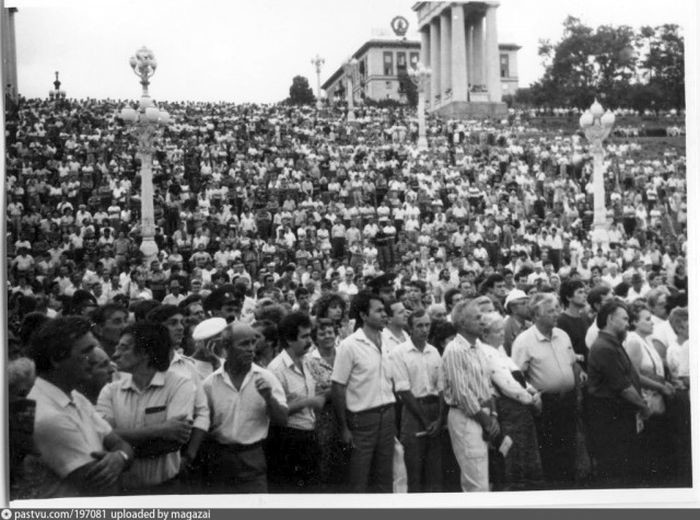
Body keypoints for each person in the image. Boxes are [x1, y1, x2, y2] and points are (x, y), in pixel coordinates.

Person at [27, 316, 133, 497]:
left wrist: (119, 458)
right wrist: (121, 458)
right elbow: (101, 487)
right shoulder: (48, 416)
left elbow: (119, 443)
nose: (94, 358)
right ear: (56, 359)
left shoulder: (75, 397)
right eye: (87, 351)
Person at [96, 321, 196, 494]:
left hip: (165, 490)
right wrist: (160, 429)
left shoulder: (180, 385)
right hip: (121, 492)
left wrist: (120, 451)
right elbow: (102, 437)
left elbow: (171, 443)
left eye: (124, 348)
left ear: (144, 353)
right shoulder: (110, 390)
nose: (115, 354)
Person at [201, 322, 288, 493]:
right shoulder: (210, 384)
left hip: (253, 458)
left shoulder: (266, 378)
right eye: (244, 344)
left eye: (252, 343)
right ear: (226, 347)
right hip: (220, 458)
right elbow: (204, 425)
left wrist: (269, 398)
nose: (251, 349)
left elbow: (283, 419)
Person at [511, 292, 580, 488]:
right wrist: (533, 397)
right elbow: (516, 376)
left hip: (568, 401)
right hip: (546, 404)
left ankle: (570, 489)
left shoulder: (563, 335)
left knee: (570, 449)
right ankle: (555, 492)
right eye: (550, 311)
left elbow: (573, 364)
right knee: (551, 453)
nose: (556, 314)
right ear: (536, 315)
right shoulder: (524, 341)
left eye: (556, 309)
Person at [331, 290, 396, 493]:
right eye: (378, 311)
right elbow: (338, 387)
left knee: (385, 477)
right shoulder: (349, 346)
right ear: (363, 316)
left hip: (387, 416)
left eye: (385, 311)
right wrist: (344, 427)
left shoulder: (387, 341)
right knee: (359, 477)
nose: (385, 314)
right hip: (361, 420)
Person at [585, 300, 649, 488]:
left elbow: (631, 374)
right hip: (609, 417)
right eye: (625, 319)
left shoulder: (614, 343)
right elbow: (623, 387)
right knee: (616, 470)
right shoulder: (605, 347)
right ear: (611, 319)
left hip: (618, 415)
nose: (628, 323)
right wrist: (643, 406)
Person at [479, 312, 544, 491]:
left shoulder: (499, 349)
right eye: (497, 331)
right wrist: (530, 399)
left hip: (522, 409)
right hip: (510, 410)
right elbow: (506, 384)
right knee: (513, 458)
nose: (502, 334)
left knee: (527, 455)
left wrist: (531, 390)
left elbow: (517, 375)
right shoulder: (485, 352)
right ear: (485, 334)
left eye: (502, 330)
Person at [441, 299, 499, 492]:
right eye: (477, 317)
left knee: (485, 478)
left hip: (483, 415)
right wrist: (486, 421)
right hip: (467, 418)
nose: (482, 321)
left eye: (482, 317)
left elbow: (487, 384)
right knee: (476, 483)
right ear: (462, 323)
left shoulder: (478, 347)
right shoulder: (455, 350)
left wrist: (493, 416)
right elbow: (462, 394)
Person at [267, 311, 324, 492]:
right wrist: (309, 402)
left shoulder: (307, 361)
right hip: (289, 440)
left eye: (310, 335)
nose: (310, 341)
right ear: (290, 340)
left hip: (309, 435)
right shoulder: (276, 369)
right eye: (304, 336)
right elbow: (275, 413)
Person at [390, 309, 444, 492]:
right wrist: (426, 421)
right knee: (414, 469)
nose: (424, 329)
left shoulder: (434, 351)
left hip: (435, 410)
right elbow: (404, 391)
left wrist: (439, 419)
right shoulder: (399, 353)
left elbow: (442, 388)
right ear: (410, 329)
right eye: (419, 325)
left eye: (427, 325)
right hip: (413, 412)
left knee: (435, 471)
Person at [624, 300, 676, 485]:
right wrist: (660, 386)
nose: (652, 322)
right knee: (650, 445)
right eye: (647, 319)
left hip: (656, 399)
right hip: (646, 401)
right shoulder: (633, 341)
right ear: (634, 322)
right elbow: (634, 375)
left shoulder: (647, 340)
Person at [305, 318, 348, 492]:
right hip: (324, 417)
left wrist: (333, 388)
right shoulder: (310, 360)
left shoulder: (344, 354)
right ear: (315, 338)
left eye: (330, 332)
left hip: (347, 412)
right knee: (325, 456)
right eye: (322, 333)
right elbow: (316, 391)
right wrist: (340, 387)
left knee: (346, 457)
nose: (327, 336)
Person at [501, 289, 530, 356]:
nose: (528, 306)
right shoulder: (506, 328)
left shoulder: (529, 325)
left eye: (528, 302)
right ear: (513, 308)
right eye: (523, 303)